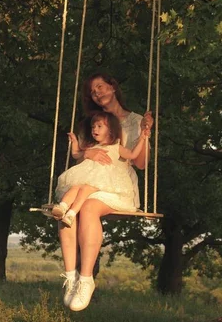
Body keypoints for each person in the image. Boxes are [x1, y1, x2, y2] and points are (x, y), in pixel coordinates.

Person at [58, 73, 153, 312]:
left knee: (88, 206)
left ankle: (86, 280)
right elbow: (81, 152)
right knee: (66, 208)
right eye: (92, 91)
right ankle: (71, 276)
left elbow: (140, 163)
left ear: (113, 86)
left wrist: (145, 135)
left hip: (117, 184)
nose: (97, 93)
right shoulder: (92, 122)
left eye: (100, 87)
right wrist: (87, 153)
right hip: (89, 178)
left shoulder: (136, 120)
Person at [52, 111, 150, 228]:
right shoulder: (92, 147)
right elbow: (76, 154)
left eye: (99, 126)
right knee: (75, 188)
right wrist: (74, 141)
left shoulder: (116, 147)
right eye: (93, 127)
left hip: (102, 179)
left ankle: (71, 213)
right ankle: (62, 207)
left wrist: (142, 139)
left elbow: (133, 155)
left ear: (110, 130)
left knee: (85, 189)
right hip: (87, 177)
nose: (95, 130)